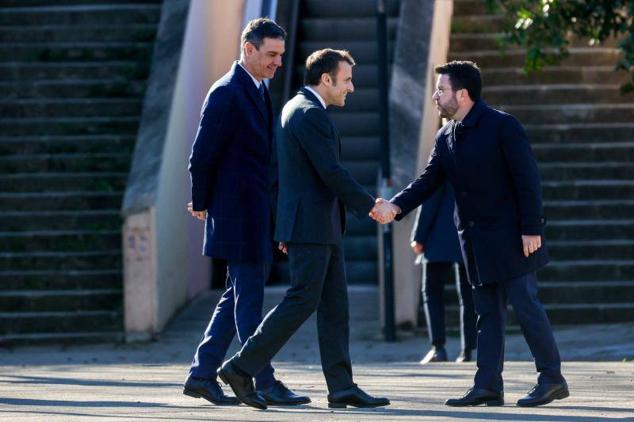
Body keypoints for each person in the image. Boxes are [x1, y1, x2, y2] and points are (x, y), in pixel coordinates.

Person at [373, 61, 569, 407]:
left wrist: (531, 228)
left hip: (513, 238)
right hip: (475, 242)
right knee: (487, 313)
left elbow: (528, 179)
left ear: (462, 95)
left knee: (526, 308)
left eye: (441, 90)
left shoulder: (502, 126)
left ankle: (551, 378)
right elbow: (428, 181)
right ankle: (487, 384)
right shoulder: (445, 135)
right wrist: (395, 206)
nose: (435, 96)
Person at [216, 48, 391, 410]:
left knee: (334, 306)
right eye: (346, 80)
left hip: (317, 225)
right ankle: (239, 367)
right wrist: (370, 204)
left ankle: (341, 386)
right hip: (312, 226)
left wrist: (284, 226)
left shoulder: (297, 108)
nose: (352, 88)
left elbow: (284, 174)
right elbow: (331, 172)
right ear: (325, 79)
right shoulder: (310, 114)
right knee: (302, 300)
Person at [185, 18, 308, 407]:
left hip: (253, 213)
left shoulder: (255, 89)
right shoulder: (226, 92)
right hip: (237, 215)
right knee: (248, 300)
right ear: (248, 49)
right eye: (271, 54)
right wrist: (202, 202)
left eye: (281, 56)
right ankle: (262, 378)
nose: (277, 63)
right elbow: (201, 157)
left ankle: (202, 375)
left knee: (234, 296)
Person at [411, 182, 476, 364]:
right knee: (468, 294)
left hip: (439, 234)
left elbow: (430, 197)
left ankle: (438, 348)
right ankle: (467, 350)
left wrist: (419, 236)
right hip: (467, 232)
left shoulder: (442, 153)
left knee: (432, 290)